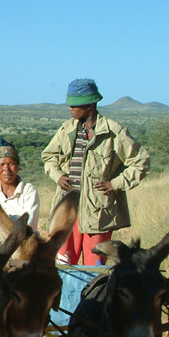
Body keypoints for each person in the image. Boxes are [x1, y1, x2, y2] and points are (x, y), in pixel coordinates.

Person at [41, 78, 150, 265]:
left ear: (90, 104)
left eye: (76, 104)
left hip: (97, 213)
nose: (71, 108)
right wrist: (58, 176)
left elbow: (141, 162)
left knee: (95, 269)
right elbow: (49, 156)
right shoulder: (67, 129)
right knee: (63, 266)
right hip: (67, 210)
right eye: (70, 104)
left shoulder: (113, 132)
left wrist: (115, 184)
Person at [0, 138, 40, 232]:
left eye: (11, 164)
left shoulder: (28, 191)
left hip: (22, 241)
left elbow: (29, 226)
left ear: (17, 166)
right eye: (1, 165)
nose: (6, 169)